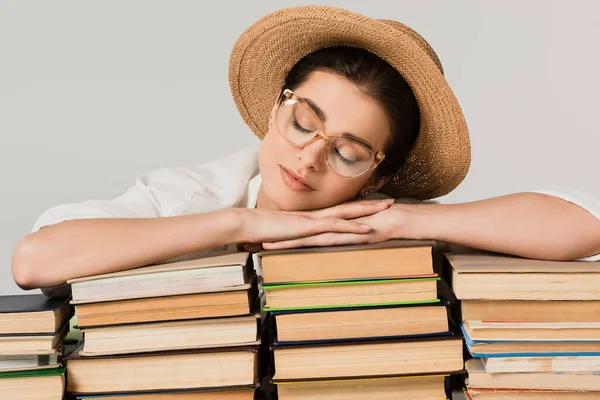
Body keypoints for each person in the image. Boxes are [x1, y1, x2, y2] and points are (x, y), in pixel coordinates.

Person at [11, 6, 600, 293]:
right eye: (302, 122)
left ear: (375, 175)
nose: (311, 158)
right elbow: (35, 261)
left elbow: (583, 223)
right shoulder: (190, 197)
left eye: (349, 152)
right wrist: (241, 222)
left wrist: (402, 221)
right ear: (275, 109)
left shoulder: (378, 219)